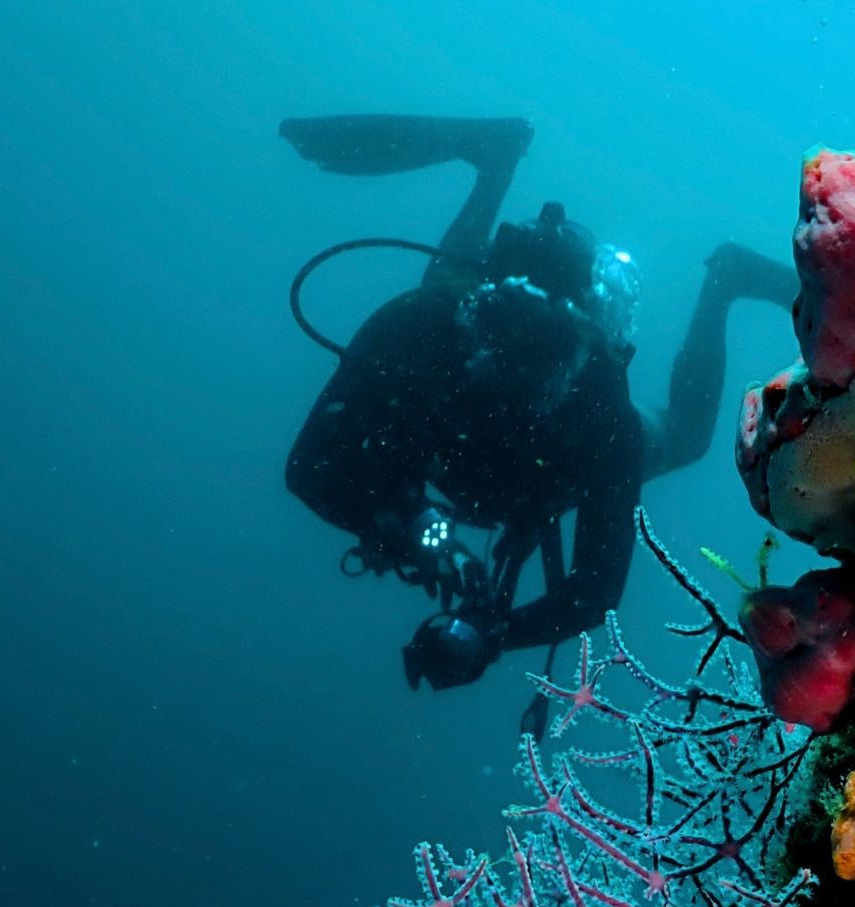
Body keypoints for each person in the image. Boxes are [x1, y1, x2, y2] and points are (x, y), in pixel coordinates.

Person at [278, 114, 797, 695]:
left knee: (685, 435)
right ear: (476, 323)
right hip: (462, 372)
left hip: (542, 445)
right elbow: (307, 469)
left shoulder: (603, 417)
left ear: (584, 354)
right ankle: (496, 161)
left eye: (540, 358)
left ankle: (724, 279)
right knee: (437, 293)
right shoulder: (420, 328)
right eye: (506, 349)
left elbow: (596, 589)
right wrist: (411, 525)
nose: (516, 382)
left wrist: (494, 631)